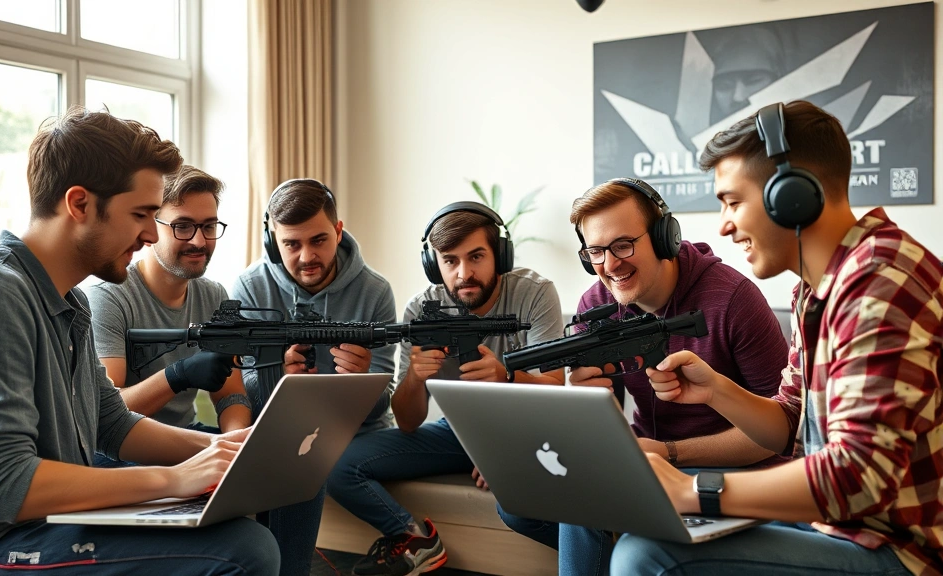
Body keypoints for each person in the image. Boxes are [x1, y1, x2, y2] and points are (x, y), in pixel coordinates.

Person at [0, 106, 279, 574]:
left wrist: (223, 450)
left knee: (246, 525)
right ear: (80, 204)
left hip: (40, 523)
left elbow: (112, 423)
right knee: (244, 550)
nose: (152, 234)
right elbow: (2, 485)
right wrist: (174, 479)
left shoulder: (69, 301)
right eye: (141, 215)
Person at [611, 100, 943, 575]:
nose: (724, 224)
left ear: (791, 195)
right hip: (836, 527)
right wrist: (717, 390)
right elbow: (790, 424)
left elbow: (859, 477)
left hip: (899, 551)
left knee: (647, 555)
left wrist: (693, 490)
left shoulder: (882, 282)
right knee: (640, 523)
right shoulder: (819, 288)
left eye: (732, 201)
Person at [496, 177, 790, 575]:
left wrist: (667, 452)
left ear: (664, 237)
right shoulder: (596, 305)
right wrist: (584, 404)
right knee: (517, 500)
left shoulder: (734, 300)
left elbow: (780, 436)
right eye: (596, 251)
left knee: (586, 504)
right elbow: (603, 435)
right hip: (644, 465)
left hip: (731, 475)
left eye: (623, 245)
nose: (610, 265)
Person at [326, 202, 566, 576]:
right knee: (339, 464)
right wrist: (416, 379)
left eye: (476, 257)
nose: (464, 273)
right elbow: (406, 422)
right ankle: (414, 539)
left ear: (500, 255)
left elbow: (556, 392)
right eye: (450, 261)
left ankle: (603, 547)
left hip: (525, 431)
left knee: (516, 502)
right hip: (456, 433)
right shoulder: (421, 308)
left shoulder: (534, 294)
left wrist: (507, 384)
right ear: (432, 263)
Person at [230, 178, 397, 576]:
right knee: (290, 454)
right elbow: (240, 392)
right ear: (273, 240)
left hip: (357, 433)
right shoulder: (250, 289)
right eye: (291, 244)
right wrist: (273, 377)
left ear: (338, 231)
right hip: (280, 431)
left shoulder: (375, 291)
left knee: (302, 459)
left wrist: (360, 383)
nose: (307, 255)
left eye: (319, 240)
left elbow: (381, 404)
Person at [87, 164, 252, 461]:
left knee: (290, 461)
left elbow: (231, 393)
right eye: (183, 226)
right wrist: (178, 375)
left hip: (185, 435)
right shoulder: (109, 298)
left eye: (209, 226)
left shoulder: (214, 296)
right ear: (151, 227)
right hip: (120, 449)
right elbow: (106, 415)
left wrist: (234, 441)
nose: (199, 241)